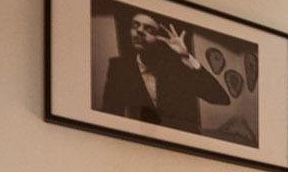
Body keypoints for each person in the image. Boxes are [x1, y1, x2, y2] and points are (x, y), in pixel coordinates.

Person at [99, 12, 231, 134]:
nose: (139, 31)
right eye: (135, 26)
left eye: (149, 29)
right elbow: (110, 111)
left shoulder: (177, 66)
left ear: (161, 37)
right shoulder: (119, 67)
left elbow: (220, 98)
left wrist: (186, 57)